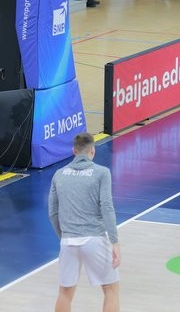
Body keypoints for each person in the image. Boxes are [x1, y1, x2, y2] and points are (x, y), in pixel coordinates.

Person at [48, 133, 121, 312]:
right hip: (94, 238)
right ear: (92, 151)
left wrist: (64, 236)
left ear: (74, 150)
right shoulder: (102, 173)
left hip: (68, 242)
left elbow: (53, 212)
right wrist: (115, 241)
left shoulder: (59, 174)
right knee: (111, 290)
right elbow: (106, 207)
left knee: (65, 293)